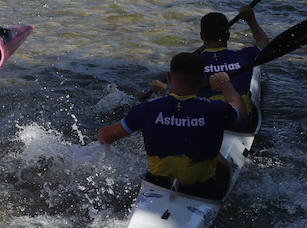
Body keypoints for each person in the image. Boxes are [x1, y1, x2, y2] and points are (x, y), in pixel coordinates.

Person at [97, 53, 248, 199]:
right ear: (203, 79)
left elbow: (105, 137)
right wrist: (225, 84)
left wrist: (102, 131)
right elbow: (240, 110)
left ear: (169, 77)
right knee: (221, 161)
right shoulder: (216, 109)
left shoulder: (146, 109)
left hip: (157, 184)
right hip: (202, 191)